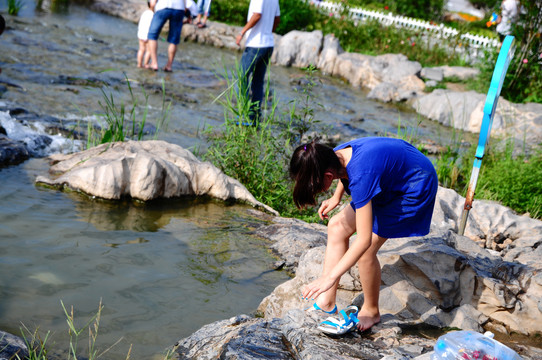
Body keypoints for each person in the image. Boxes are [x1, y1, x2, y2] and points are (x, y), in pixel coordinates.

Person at [290, 137, 438, 332]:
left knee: (366, 252)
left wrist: (329, 278)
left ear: (327, 176)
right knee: (336, 226)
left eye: (315, 188)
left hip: (414, 185)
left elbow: (363, 240)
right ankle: (326, 302)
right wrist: (336, 197)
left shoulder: (361, 175)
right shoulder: (332, 155)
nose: (316, 193)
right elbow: (344, 172)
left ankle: (371, 310)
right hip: (390, 179)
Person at [235, 0, 280, 123]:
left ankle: (243, 115)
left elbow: (257, 15)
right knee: (258, 81)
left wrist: (241, 32)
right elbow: (277, 19)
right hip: (268, 44)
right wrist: (267, 32)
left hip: (255, 44)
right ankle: (254, 117)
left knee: (241, 78)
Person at [147, 0, 186, 72]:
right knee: (174, 40)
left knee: (152, 35)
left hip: (163, 6)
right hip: (179, 8)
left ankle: (154, 63)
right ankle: (169, 66)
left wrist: (153, 10)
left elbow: (152, 3)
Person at [137, 2, 154, 68]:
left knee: (141, 49)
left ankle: (139, 64)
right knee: (149, 51)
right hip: (147, 35)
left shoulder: (145, 12)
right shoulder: (152, 14)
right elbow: (151, 26)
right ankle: (146, 64)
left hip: (140, 34)